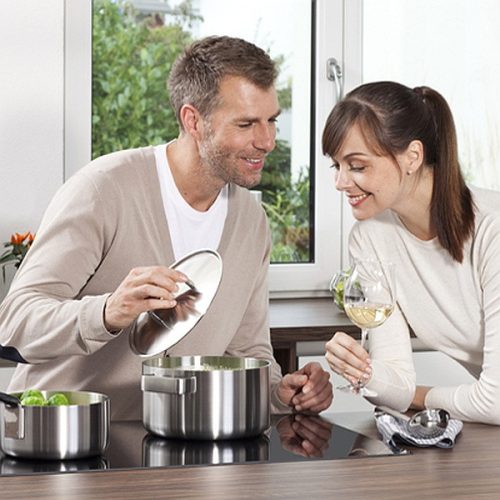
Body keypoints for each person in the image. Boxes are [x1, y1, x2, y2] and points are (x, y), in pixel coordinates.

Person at [0, 36, 332, 420]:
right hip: (64, 436)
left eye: (271, 120)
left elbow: (247, 351)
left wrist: (282, 393)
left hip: (177, 438)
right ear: (193, 120)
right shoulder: (104, 190)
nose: (268, 141)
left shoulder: (250, 221)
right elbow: (15, 322)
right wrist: (107, 312)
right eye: (246, 124)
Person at [322, 81, 500, 425]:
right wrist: (363, 371)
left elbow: (495, 401)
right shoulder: (370, 238)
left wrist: (418, 396)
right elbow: (395, 385)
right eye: (336, 166)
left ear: (412, 157)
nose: (340, 182)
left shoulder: (492, 230)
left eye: (357, 166)